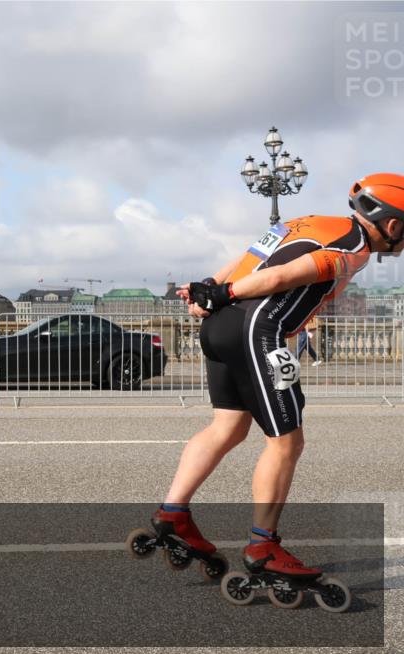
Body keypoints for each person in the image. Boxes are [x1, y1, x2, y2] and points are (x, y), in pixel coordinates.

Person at [152, 173, 403, 579]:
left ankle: (173, 513)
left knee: (228, 427)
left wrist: (212, 289)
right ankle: (263, 545)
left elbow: (248, 255)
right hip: (257, 330)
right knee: (287, 442)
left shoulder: (307, 221)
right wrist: (225, 293)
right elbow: (282, 277)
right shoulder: (353, 247)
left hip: (220, 328)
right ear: (392, 225)